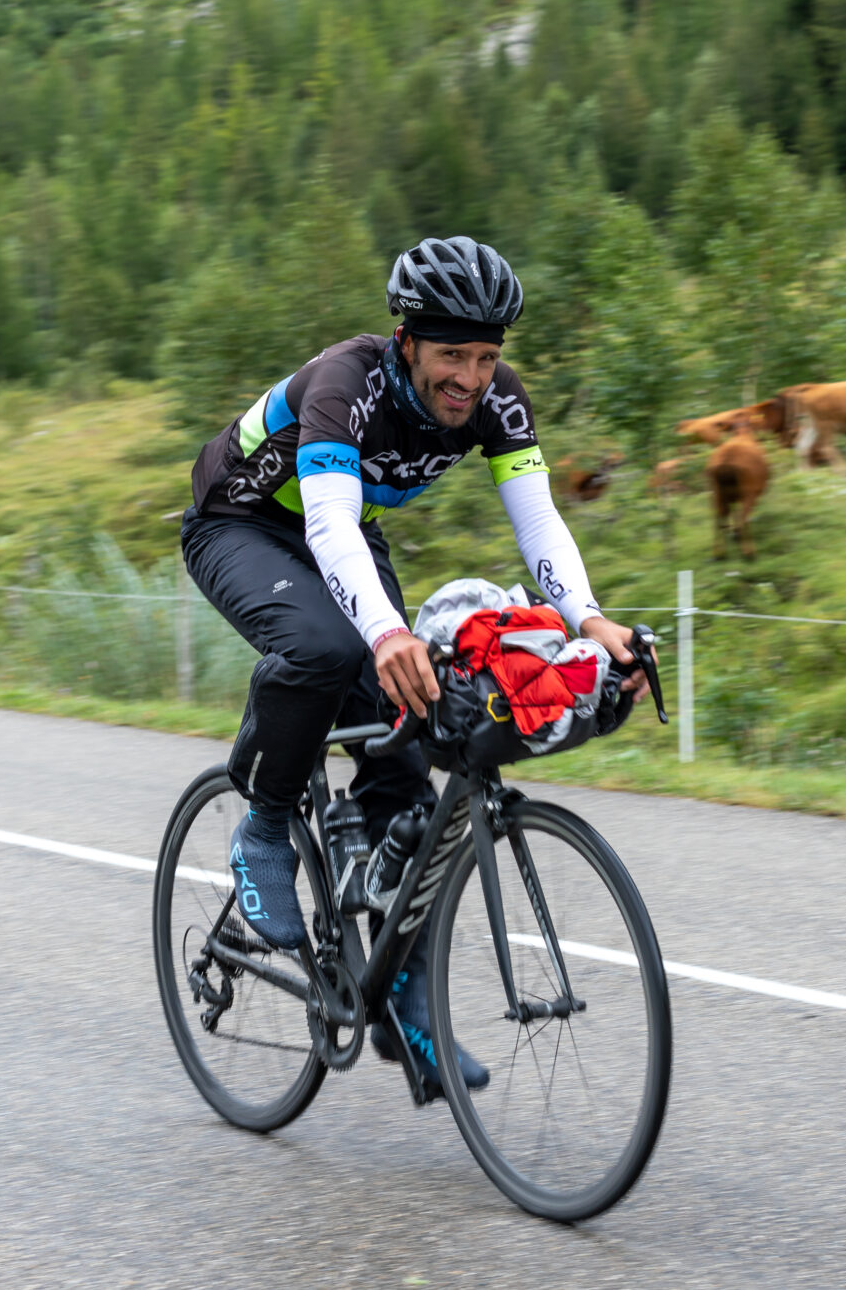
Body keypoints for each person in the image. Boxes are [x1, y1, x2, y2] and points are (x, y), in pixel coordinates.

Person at [181, 235, 646, 1097]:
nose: (469, 377)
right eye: (450, 356)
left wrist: (589, 619)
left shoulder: (499, 400)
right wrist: (386, 632)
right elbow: (323, 523)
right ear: (407, 343)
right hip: (243, 524)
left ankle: (404, 996)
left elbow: (539, 523)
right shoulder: (345, 383)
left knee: (422, 717)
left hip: (346, 530)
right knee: (330, 647)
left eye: (485, 356)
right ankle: (266, 820)